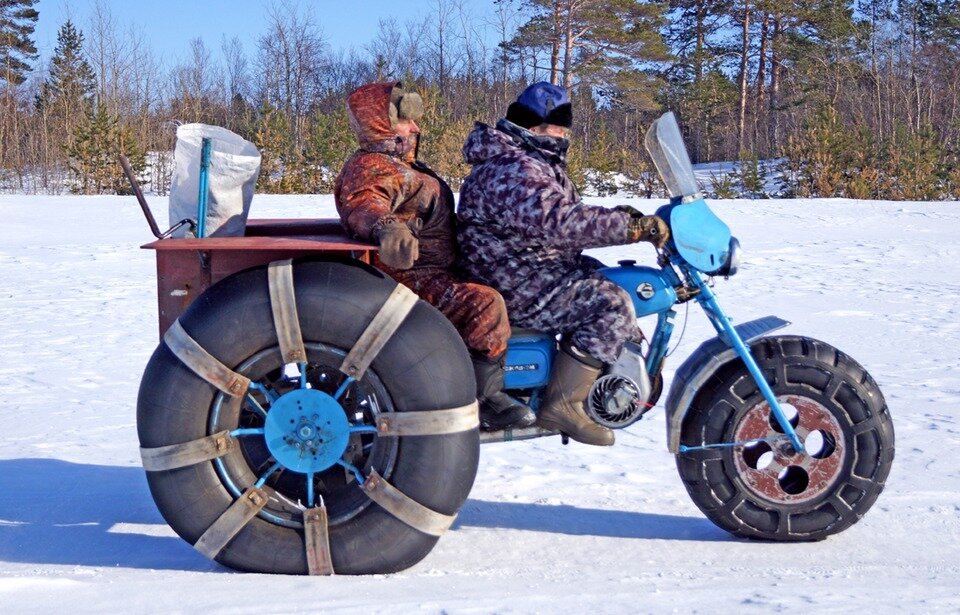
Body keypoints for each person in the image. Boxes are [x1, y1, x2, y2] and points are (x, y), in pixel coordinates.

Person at [457, 82, 670, 446]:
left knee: (605, 278)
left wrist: (620, 216)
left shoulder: (527, 160)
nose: (560, 131)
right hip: (514, 281)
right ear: (530, 125)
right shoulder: (514, 167)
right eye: (552, 123)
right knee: (609, 303)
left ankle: (607, 378)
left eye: (562, 123)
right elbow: (558, 221)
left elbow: (556, 214)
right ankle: (564, 405)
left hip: (523, 266)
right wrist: (631, 228)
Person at [334, 81, 535, 432]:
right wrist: (386, 228)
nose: (415, 128)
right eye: (404, 122)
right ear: (380, 126)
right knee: (484, 305)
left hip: (433, 270)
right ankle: (482, 400)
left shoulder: (399, 165)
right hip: (411, 280)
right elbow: (364, 204)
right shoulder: (375, 169)